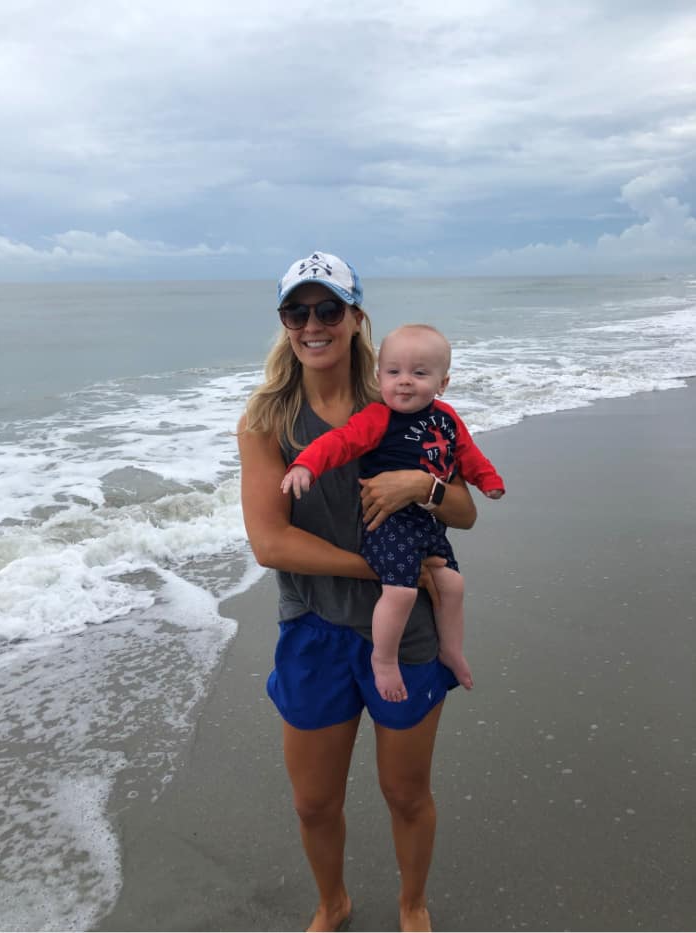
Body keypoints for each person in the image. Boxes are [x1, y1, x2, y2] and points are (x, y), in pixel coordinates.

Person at [238, 250, 478, 933]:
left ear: (355, 317)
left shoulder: (402, 398)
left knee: (406, 793)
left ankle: (411, 903)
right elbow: (271, 542)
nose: (313, 325)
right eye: (297, 311)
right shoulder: (267, 421)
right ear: (285, 322)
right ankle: (332, 902)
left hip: (408, 632)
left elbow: (464, 510)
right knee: (313, 802)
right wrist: (384, 569)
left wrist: (419, 486)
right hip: (315, 627)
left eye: (328, 309)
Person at [280, 323, 505, 703]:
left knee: (452, 585)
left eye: (419, 374)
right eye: (394, 372)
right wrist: (304, 466)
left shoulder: (446, 419)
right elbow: (339, 442)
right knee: (400, 592)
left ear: (442, 382)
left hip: (426, 521)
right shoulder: (377, 417)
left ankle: (450, 649)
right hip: (388, 522)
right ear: (379, 376)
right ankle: (383, 660)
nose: (404, 382)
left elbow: (467, 455)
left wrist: (489, 480)